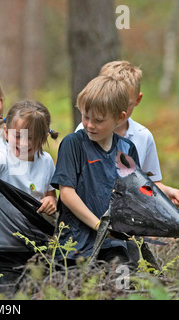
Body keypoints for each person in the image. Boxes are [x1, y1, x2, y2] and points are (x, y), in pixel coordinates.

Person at [0, 100, 58, 287]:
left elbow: (50, 194)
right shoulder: (3, 158)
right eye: (18, 136)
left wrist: (51, 200)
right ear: (6, 132)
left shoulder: (46, 161)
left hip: (34, 248)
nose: (24, 143)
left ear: (43, 137)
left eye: (32, 138)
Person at [51, 75, 140, 265]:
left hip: (116, 245)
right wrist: (99, 226)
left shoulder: (127, 149)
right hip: (75, 246)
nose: (90, 124)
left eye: (99, 120)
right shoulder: (72, 144)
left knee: (121, 287)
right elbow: (66, 193)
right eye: (86, 116)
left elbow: (133, 197)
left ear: (120, 118)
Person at [75, 60, 179, 206]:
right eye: (111, 104)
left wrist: (168, 192)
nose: (118, 111)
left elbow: (148, 184)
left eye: (124, 105)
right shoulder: (84, 132)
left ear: (137, 100)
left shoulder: (143, 136)